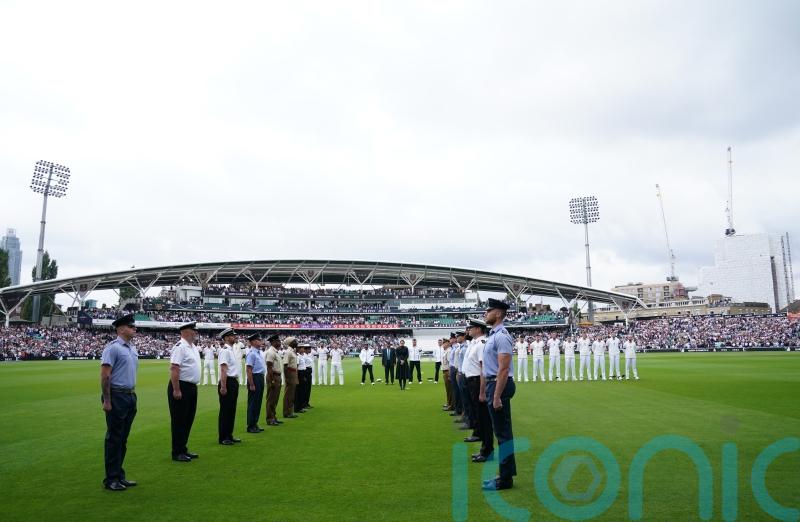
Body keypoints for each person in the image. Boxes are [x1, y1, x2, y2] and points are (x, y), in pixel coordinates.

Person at [479, 298, 516, 491]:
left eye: (489, 310)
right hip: (493, 384)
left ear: (499, 313)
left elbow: (503, 369)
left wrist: (496, 396)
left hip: (499, 385)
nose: (486, 313)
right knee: (501, 433)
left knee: (503, 434)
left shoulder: (502, 336)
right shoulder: (493, 334)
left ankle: (506, 479)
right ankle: (505, 474)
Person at [100, 314, 139, 491]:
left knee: (122, 439)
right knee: (114, 438)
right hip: (116, 396)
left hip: (130, 395)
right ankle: (111, 479)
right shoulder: (113, 348)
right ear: (121, 329)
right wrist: (107, 400)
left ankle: (119, 475)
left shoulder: (132, 348)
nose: (134, 329)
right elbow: (105, 375)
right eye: (131, 326)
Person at [168, 321, 201, 462]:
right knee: (179, 420)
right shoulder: (180, 347)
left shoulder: (192, 347)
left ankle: (183, 447)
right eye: (194, 330)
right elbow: (174, 368)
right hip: (181, 386)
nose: (196, 332)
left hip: (191, 387)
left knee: (188, 419)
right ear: (186, 332)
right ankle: (177, 451)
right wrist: (176, 389)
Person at [466, 318, 493, 464]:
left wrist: (482, 391)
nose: (469, 329)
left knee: (484, 419)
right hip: (473, 381)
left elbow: (483, 368)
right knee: (480, 417)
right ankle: (484, 449)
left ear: (478, 329)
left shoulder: (481, 344)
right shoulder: (476, 343)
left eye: (472, 327)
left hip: (478, 382)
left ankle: (487, 451)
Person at [217, 328, 242, 445]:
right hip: (227, 382)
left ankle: (229, 434)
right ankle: (223, 437)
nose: (234, 337)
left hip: (233, 381)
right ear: (226, 338)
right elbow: (223, 369)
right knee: (225, 411)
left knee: (231, 410)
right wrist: (223, 386)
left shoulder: (231, 350)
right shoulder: (225, 350)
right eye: (232, 336)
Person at [245, 332, 267, 433]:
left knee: (258, 402)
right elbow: (249, 369)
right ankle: (250, 425)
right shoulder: (251, 353)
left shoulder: (258, 352)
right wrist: (252, 384)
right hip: (254, 378)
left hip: (260, 377)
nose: (261, 341)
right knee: (253, 403)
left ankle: (255, 423)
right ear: (253, 342)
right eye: (258, 340)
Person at [264, 334, 283, 426]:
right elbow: (269, 366)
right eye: (277, 341)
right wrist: (271, 380)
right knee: (271, 399)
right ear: (273, 342)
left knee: (275, 398)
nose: (279, 343)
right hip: (273, 376)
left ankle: (274, 417)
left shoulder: (276, 352)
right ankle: (270, 418)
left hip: (277, 376)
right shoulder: (271, 352)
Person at [282, 337, 300, 418]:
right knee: (288, 394)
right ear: (290, 343)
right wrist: (287, 378)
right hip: (290, 373)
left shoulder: (292, 351)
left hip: (293, 372)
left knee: (292, 394)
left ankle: (290, 411)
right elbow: (285, 365)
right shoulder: (288, 352)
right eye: (295, 341)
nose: (296, 342)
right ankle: (287, 412)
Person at [296, 345, 309, 412]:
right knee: (300, 391)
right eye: (302, 348)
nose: (303, 349)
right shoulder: (298, 356)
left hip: (303, 372)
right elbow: (297, 367)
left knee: (303, 390)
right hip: (300, 373)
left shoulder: (301, 356)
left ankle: (301, 406)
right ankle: (298, 407)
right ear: (299, 349)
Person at [441, 339, 453, 410]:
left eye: (444, 343)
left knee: (450, 389)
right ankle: (449, 403)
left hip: (447, 371)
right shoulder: (445, 351)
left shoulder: (449, 351)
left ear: (448, 343)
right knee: (448, 389)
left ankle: (451, 405)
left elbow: (450, 363)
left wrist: (449, 374)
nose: (443, 344)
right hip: (445, 371)